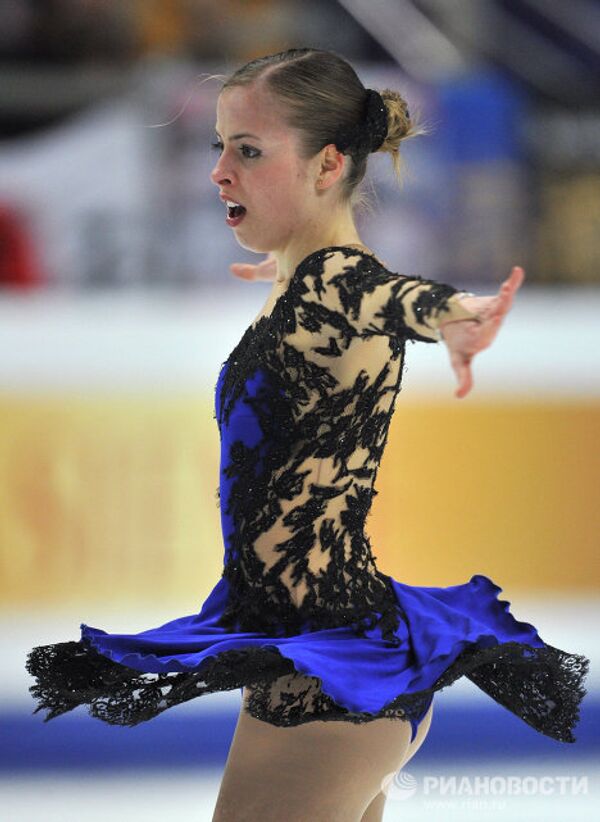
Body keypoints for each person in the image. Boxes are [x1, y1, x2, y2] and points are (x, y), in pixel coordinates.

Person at [26, 48, 589, 822]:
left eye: (249, 151)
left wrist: (452, 313)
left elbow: (389, 296)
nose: (220, 171)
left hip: (328, 679)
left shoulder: (334, 281)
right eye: (219, 145)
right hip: (336, 655)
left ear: (328, 164)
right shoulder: (308, 278)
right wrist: (286, 266)